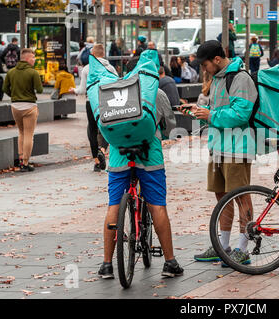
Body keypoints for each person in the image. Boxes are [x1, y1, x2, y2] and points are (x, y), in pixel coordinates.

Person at [178, 40, 258, 266]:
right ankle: (222, 246)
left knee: (241, 196)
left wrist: (210, 115)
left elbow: (240, 114)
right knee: (221, 196)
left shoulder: (240, 78)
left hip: (238, 149)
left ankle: (243, 248)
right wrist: (199, 112)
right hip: (219, 147)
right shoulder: (218, 78)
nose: (204, 70)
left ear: (216, 59)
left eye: (205, 65)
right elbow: (217, 111)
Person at [99, 88, 184, 279]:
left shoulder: (116, 89)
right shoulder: (157, 92)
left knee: (113, 206)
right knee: (157, 206)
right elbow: (171, 126)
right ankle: (170, 262)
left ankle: (106, 265)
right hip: (149, 154)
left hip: (119, 153)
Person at [69, 44, 112, 172]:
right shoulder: (110, 68)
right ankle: (102, 149)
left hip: (91, 102)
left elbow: (82, 90)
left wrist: (74, 90)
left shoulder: (87, 69)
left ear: (92, 55)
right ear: (103, 54)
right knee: (105, 127)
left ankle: (96, 161)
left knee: (92, 129)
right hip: (106, 101)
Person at [2, 48, 43, 172]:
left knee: (21, 132)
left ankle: (20, 159)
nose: (34, 60)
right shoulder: (33, 72)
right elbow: (40, 90)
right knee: (29, 135)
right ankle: (25, 162)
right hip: (29, 106)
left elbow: (5, 89)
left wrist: (14, 95)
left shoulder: (11, 72)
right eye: (33, 57)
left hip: (15, 106)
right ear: (26, 58)